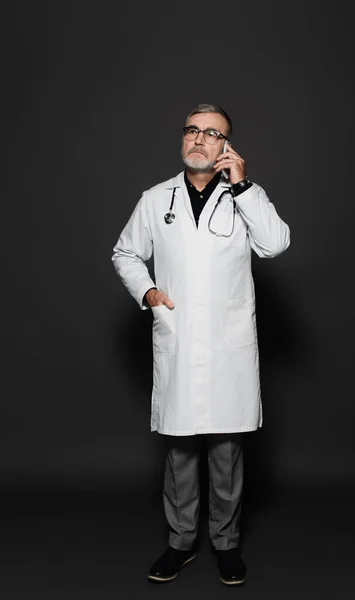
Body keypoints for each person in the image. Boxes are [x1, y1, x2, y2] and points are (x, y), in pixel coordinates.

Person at [111, 104, 290, 586]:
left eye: (213, 133)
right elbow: (126, 252)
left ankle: (227, 545)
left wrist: (245, 186)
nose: (199, 139)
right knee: (182, 450)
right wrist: (147, 292)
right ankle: (181, 543)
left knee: (227, 449)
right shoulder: (156, 198)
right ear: (183, 138)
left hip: (228, 344)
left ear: (226, 147)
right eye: (192, 130)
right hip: (180, 338)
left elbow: (274, 244)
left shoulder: (245, 196)